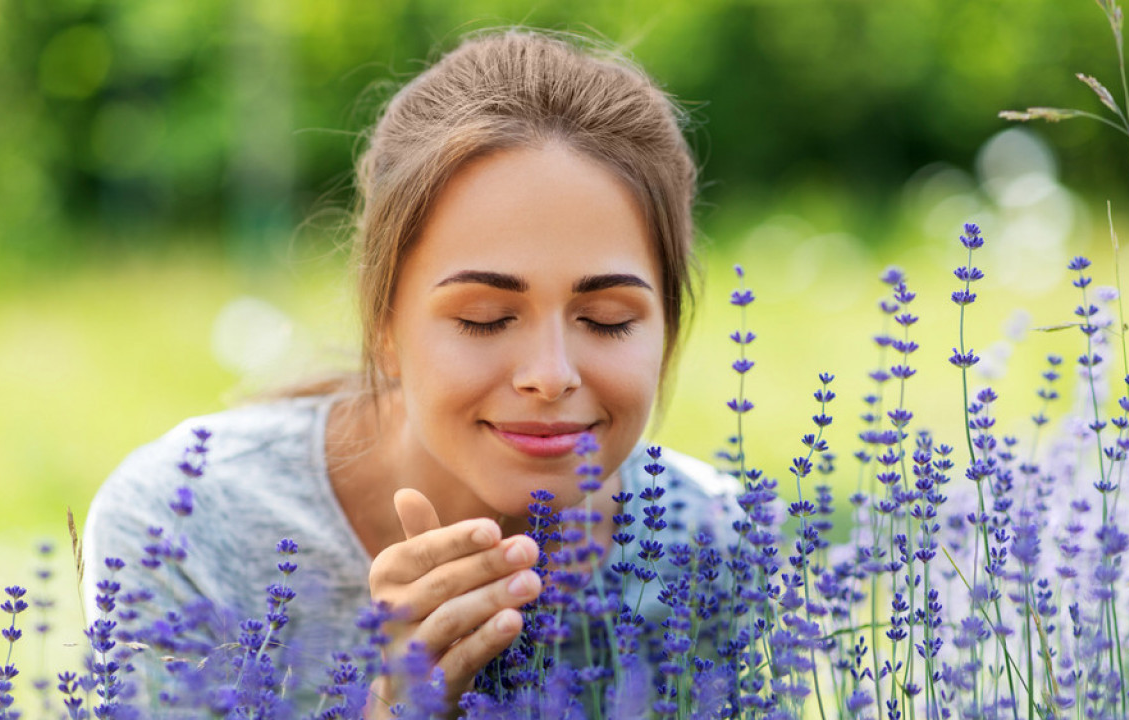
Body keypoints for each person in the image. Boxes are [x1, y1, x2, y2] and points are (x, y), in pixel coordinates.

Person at [82, 28, 743, 715]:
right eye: (485, 317)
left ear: (668, 327)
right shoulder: (181, 527)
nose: (550, 376)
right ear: (383, 324)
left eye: (606, 319)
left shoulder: (716, 544)